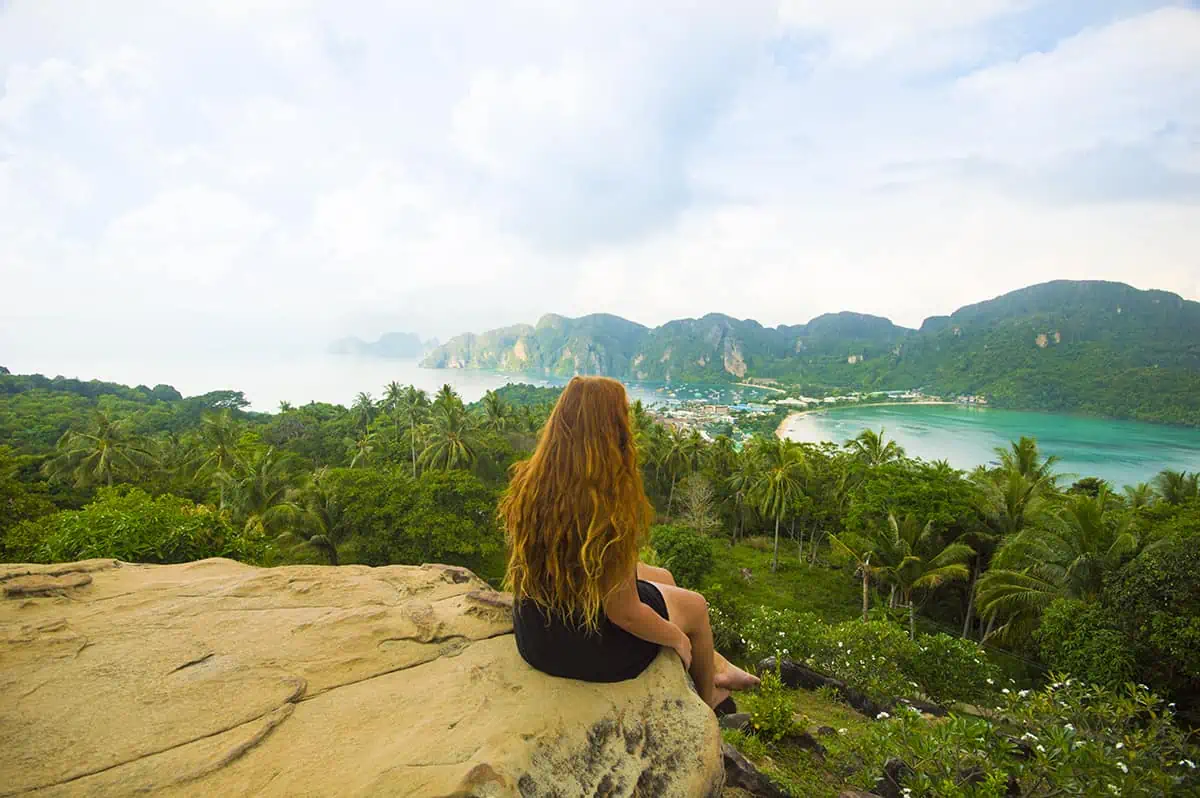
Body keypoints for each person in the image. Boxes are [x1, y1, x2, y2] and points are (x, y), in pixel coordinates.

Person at [500, 375, 758, 708]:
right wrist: (675, 637)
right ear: (612, 429)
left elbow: (585, 571)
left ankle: (718, 666)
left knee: (662, 577)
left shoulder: (532, 482)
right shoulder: (605, 502)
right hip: (583, 649)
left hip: (536, 634)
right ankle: (710, 699)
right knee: (695, 606)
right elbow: (624, 613)